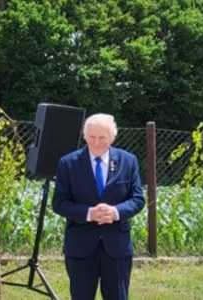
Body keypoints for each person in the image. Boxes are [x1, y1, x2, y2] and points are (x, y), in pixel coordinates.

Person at [52, 113, 145, 300]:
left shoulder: (128, 161)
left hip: (116, 247)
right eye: (92, 137)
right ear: (85, 136)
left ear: (112, 137)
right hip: (80, 247)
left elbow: (137, 199)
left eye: (102, 137)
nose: (96, 142)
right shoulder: (68, 163)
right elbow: (59, 203)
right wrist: (88, 213)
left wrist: (116, 211)